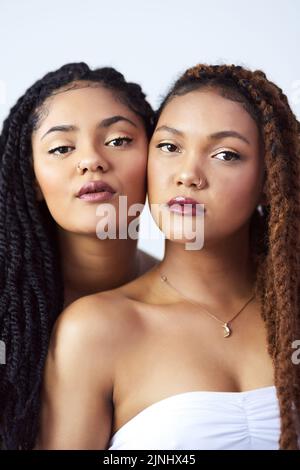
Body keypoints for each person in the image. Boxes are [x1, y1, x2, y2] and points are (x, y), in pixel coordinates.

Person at [37, 64, 300, 450]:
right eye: (170, 147)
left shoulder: (291, 311)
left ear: (269, 180)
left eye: (226, 154)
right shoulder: (93, 330)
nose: (188, 174)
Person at [0, 62, 157, 449]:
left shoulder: (191, 303)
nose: (91, 160)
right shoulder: (9, 312)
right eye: (61, 148)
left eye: (118, 140)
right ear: (32, 178)